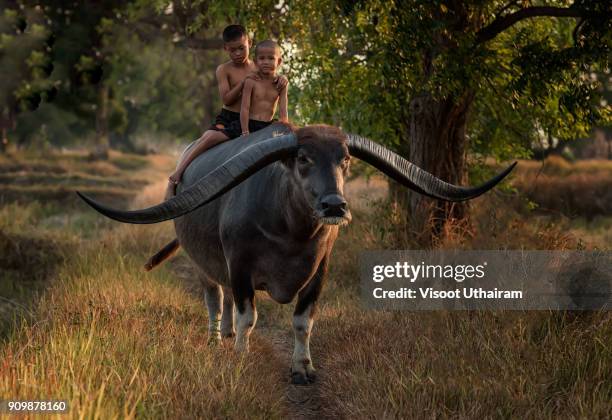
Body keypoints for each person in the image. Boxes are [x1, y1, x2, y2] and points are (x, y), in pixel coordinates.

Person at [167, 26, 287, 194]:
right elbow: (227, 99)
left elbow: (271, 78)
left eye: (241, 48)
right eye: (232, 50)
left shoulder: (258, 65)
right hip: (229, 117)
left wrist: (282, 79)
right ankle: (177, 175)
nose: (237, 53)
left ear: (249, 44)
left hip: (252, 120)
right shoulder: (224, 70)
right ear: (225, 49)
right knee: (208, 138)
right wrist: (244, 81)